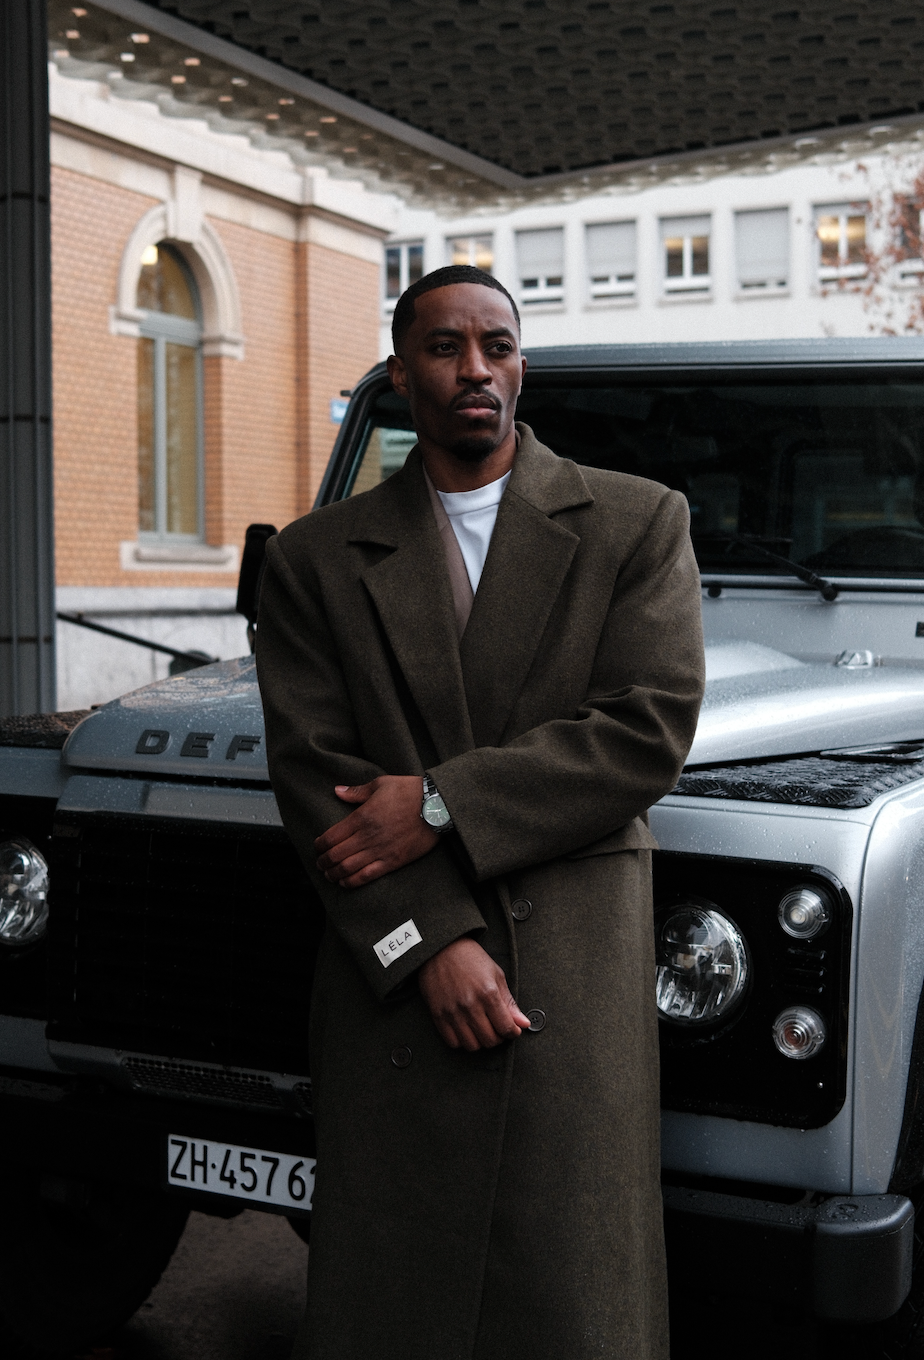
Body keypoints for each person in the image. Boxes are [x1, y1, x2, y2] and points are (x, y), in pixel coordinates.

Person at [256, 264, 705, 1360]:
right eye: (445, 347)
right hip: (394, 978)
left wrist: (445, 804)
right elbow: (316, 776)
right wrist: (431, 945)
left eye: (495, 346)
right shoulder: (315, 557)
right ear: (400, 371)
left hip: (569, 983)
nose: (474, 370)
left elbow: (643, 729)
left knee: (568, 1296)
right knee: (394, 1297)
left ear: (519, 365)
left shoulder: (634, 523)